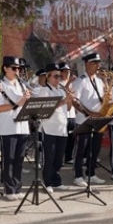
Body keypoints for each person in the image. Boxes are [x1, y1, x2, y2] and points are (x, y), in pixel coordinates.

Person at [0, 56, 31, 200]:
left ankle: (17, 187)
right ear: (5, 68)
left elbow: (25, 104)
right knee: (9, 160)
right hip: (8, 126)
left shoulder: (21, 84)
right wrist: (19, 102)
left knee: (19, 160)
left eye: (19, 68)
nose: (17, 71)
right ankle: (9, 189)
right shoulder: (0, 85)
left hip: (23, 126)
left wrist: (28, 100)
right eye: (14, 68)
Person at [70, 52, 107, 187]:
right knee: (81, 150)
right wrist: (89, 112)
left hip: (98, 120)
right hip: (83, 120)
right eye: (95, 63)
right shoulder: (80, 81)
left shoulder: (98, 81)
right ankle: (78, 175)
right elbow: (74, 101)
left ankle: (91, 173)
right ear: (87, 64)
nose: (98, 66)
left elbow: (103, 99)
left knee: (94, 149)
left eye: (99, 63)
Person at [38, 63, 73, 193]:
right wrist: (65, 100)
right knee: (49, 157)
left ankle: (56, 181)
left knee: (59, 158)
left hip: (62, 129)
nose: (58, 79)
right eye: (55, 76)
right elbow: (47, 107)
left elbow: (68, 109)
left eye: (60, 76)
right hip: (49, 128)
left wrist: (69, 100)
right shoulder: (44, 90)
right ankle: (47, 182)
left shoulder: (61, 90)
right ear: (48, 77)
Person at [59, 62, 77, 165]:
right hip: (63, 114)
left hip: (72, 114)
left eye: (68, 71)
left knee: (71, 137)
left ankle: (68, 157)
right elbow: (63, 91)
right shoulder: (58, 82)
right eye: (65, 71)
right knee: (62, 137)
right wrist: (69, 82)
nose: (67, 73)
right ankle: (60, 157)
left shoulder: (73, 83)